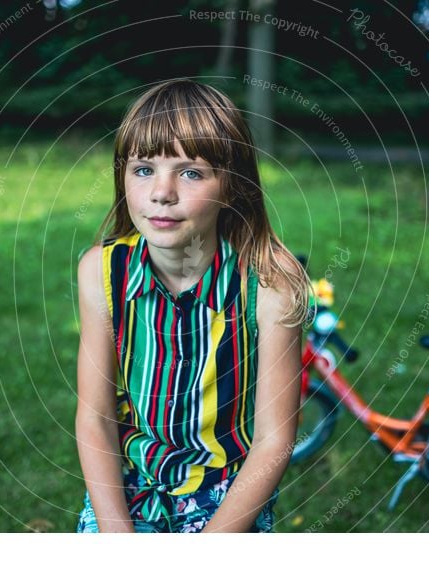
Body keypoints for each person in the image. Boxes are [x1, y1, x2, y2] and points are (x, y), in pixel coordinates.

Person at [75, 79, 312, 533]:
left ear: (232, 187)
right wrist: (116, 534)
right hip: (129, 485)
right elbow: (96, 415)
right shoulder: (101, 272)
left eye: (191, 172)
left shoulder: (269, 285)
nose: (162, 192)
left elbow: (274, 439)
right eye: (144, 169)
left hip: (226, 495)